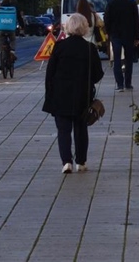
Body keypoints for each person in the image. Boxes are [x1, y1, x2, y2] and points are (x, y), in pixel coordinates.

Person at [42, 13, 104, 174]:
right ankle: (81, 162)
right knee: (80, 128)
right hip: (82, 94)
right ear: (84, 28)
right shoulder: (90, 48)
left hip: (61, 94)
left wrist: (50, 93)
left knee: (63, 130)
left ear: (68, 27)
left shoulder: (60, 46)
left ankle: (66, 162)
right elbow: (98, 74)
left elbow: (50, 73)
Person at [103, 0, 139, 91]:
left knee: (117, 60)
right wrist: (136, 36)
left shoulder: (111, 4)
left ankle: (120, 84)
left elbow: (107, 20)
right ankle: (128, 83)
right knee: (129, 60)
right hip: (129, 35)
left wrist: (109, 32)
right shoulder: (131, 3)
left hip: (115, 35)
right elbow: (136, 21)